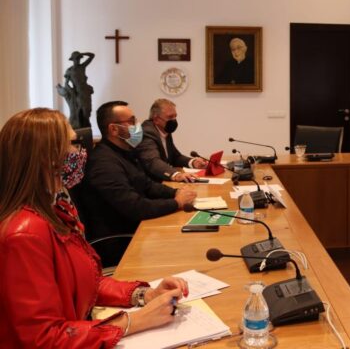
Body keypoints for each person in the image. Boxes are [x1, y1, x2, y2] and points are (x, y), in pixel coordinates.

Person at [0, 108, 190, 347]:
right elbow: (44, 338)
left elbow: (86, 281)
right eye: (73, 143)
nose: (80, 152)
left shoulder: (56, 209)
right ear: (46, 157)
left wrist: (145, 295)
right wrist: (134, 321)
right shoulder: (25, 233)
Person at [83, 101, 197, 241]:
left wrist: (175, 192)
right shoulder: (103, 164)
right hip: (123, 239)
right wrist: (176, 202)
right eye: (131, 121)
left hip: (140, 228)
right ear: (113, 129)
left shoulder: (124, 152)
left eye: (135, 120)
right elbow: (136, 208)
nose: (137, 125)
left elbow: (147, 184)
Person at [137, 99, 208, 182]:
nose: (174, 120)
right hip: (150, 183)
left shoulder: (164, 130)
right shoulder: (147, 132)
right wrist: (176, 175)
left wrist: (193, 162)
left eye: (175, 116)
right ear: (156, 119)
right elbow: (153, 161)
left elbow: (175, 157)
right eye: (170, 117)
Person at [56, 51, 95, 129]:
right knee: (82, 110)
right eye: (76, 59)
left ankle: (86, 127)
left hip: (86, 90)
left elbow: (92, 55)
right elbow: (66, 84)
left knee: (88, 110)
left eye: (79, 58)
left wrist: (82, 54)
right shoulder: (69, 71)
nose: (78, 60)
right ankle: (79, 125)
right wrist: (71, 91)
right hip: (78, 92)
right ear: (73, 60)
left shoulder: (82, 67)